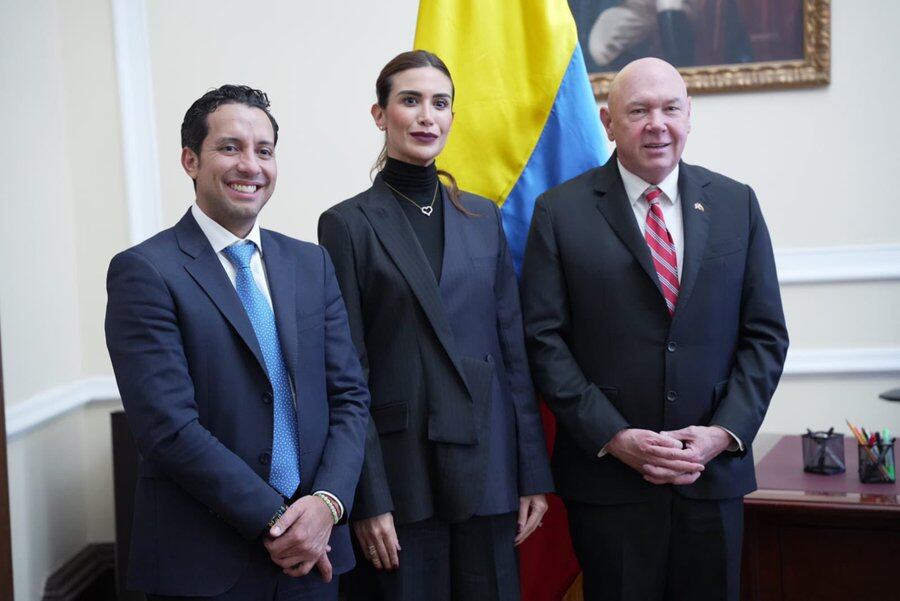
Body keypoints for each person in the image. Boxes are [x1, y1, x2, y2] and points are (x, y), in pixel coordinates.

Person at [520, 58, 788, 601]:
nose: (657, 124)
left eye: (670, 108)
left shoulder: (737, 203)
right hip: (611, 483)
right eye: (638, 110)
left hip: (711, 475)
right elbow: (543, 341)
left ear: (690, 114)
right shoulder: (560, 211)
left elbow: (765, 335)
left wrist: (723, 433)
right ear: (607, 121)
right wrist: (614, 437)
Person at [105, 85, 371, 600]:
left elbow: (349, 398)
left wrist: (326, 506)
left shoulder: (310, 264)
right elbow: (167, 429)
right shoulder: (145, 271)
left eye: (264, 150)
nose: (250, 165)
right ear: (190, 160)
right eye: (230, 147)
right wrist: (280, 522)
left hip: (314, 560)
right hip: (205, 563)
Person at [317, 50, 553, 601]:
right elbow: (348, 372)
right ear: (380, 115)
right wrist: (368, 495)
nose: (427, 115)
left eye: (440, 103)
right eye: (410, 100)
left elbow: (513, 354)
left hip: (489, 466)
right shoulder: (346, 224)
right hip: (403, 477)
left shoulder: (482, 215)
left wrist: (531, 472)